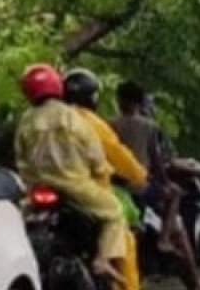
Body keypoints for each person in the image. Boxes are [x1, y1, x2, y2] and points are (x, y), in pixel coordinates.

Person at [13, 64, 128, 286]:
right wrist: (103, 171)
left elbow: (21, 159)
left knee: (17, 221)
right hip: (75, 187)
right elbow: (94, 155)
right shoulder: (72, 117)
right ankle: (102, 260)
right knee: (114, 212)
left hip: (37, 189)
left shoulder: (26, 121)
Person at [111, 80, 200, 290]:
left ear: (119, 100)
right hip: (141, 187)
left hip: (115, 186)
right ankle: (164, 239)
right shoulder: (150, 126)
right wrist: (166, 182)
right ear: (140, 103)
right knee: (175, 196)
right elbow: (156, 161)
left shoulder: (109, 124)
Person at [62, 69, 146, 290]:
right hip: (85, 191)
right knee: (123, 237)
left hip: (44, 189)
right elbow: (119, 155)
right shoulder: (92, 122)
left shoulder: (42, 118)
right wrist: (138, 174)